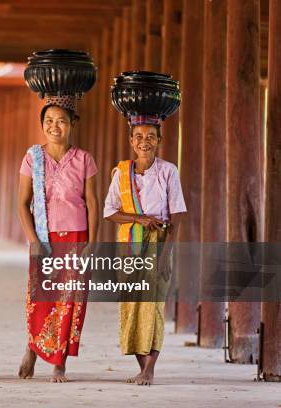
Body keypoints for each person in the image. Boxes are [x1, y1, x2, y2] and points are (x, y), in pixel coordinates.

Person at [17, 95, 99, 383]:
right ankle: (33, 347)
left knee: (70, 301)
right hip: (44, 237)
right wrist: (34, 241)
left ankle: (59, 362)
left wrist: (92, 242)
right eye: (49, 121)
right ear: (42, 124)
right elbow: (22, 203)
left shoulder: (84, 159)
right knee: (41, 300)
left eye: (61, 121)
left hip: (76, 237)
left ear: (72, 124)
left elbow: (91, 201)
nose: (55, 126)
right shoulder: (32, 158)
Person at [103, 114, 186, 386]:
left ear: (159, 141)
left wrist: (164, 255)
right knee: (132, 305)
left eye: (151, 137)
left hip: (158, 244)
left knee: (154, 305)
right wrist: (138, 219)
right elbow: (110, 212)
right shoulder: (121, 174)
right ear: (130, 141)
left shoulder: (168, 171)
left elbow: (176, 217)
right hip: (129, 244)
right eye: (138, 137)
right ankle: (142, 367)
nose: (144, 142)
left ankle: (150, 369)